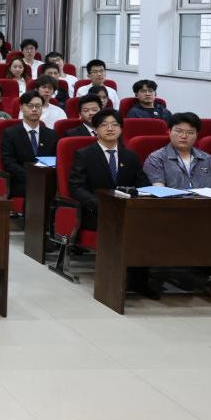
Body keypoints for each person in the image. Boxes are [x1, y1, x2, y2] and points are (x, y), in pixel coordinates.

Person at [143, 111, 211, 308]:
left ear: (197, 135)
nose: (184, 136)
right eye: (179, 131)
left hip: (209, 216)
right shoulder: (156, 159)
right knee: (199, 233)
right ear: (169, 132)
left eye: (190, 132)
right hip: (172, 216)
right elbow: (159, 192)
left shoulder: (207, 159)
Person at [67, 109, 156, 298]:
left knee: (147, 226)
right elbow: (77, 188)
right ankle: (115, 281)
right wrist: (101, 205)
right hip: (96, 211)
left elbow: (143, 184)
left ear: (121, 129)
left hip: (127, 211)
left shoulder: (130, 156)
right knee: (122, 227)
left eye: (115, 125)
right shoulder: (84, 154)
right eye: (104, 125)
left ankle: (140, 281)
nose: (110, 128)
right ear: (96, 129)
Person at [0, 89, 58, 199]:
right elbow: (9, 162)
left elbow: (53, 159)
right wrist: (31, 176)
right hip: (21, 181)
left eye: (38, 106)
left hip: (46, 181)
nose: (34, 109)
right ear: (21, 108)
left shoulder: (51, 134)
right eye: (30, 106)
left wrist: (41, 176)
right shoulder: (10, 133)